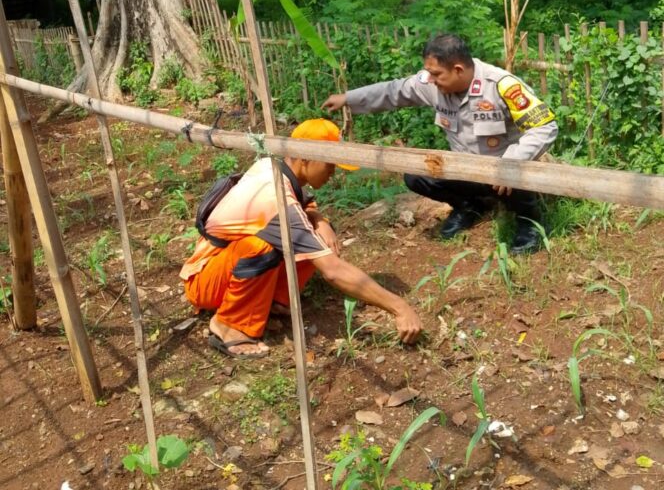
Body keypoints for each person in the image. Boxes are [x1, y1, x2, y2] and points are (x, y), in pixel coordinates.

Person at [179, 118, 422, 358]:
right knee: (262, 246)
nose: (333, 173)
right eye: (330, 165)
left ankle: (272, 302)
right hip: (204, 281)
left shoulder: (272, 167)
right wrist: (399, 307)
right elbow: (332, 271)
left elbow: (304, 205)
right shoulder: (277, 200)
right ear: (306, 158)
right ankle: (229, 325)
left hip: (220, 266)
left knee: (313, 233)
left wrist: (321, 220)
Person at [323, 33, 558, 254]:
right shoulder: (431, 83)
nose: (431, 80)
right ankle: (470, 207)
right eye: (430, 73)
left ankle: (529, 221)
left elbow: (545, 126)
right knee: (416, 176)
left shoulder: (501, 85)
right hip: (464, 169)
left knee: (516, 170)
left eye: (436, 74)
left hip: (504, 174)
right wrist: (348, 98)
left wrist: (513, 162)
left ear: (457, 69)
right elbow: (393, 91)